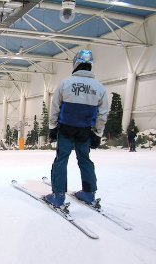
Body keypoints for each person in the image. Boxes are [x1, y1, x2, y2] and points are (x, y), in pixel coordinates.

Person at [43, 49, 109, 209]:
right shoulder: (99, 88)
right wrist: (98, 133)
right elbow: (103, 113)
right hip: (85, 131)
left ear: (76, 64)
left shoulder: (66, 83)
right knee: (85, 160)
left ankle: (58, 196)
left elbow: (55, 107)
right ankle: (89, 193)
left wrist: (52, 127)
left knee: (61, 160)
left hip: (66, 129)